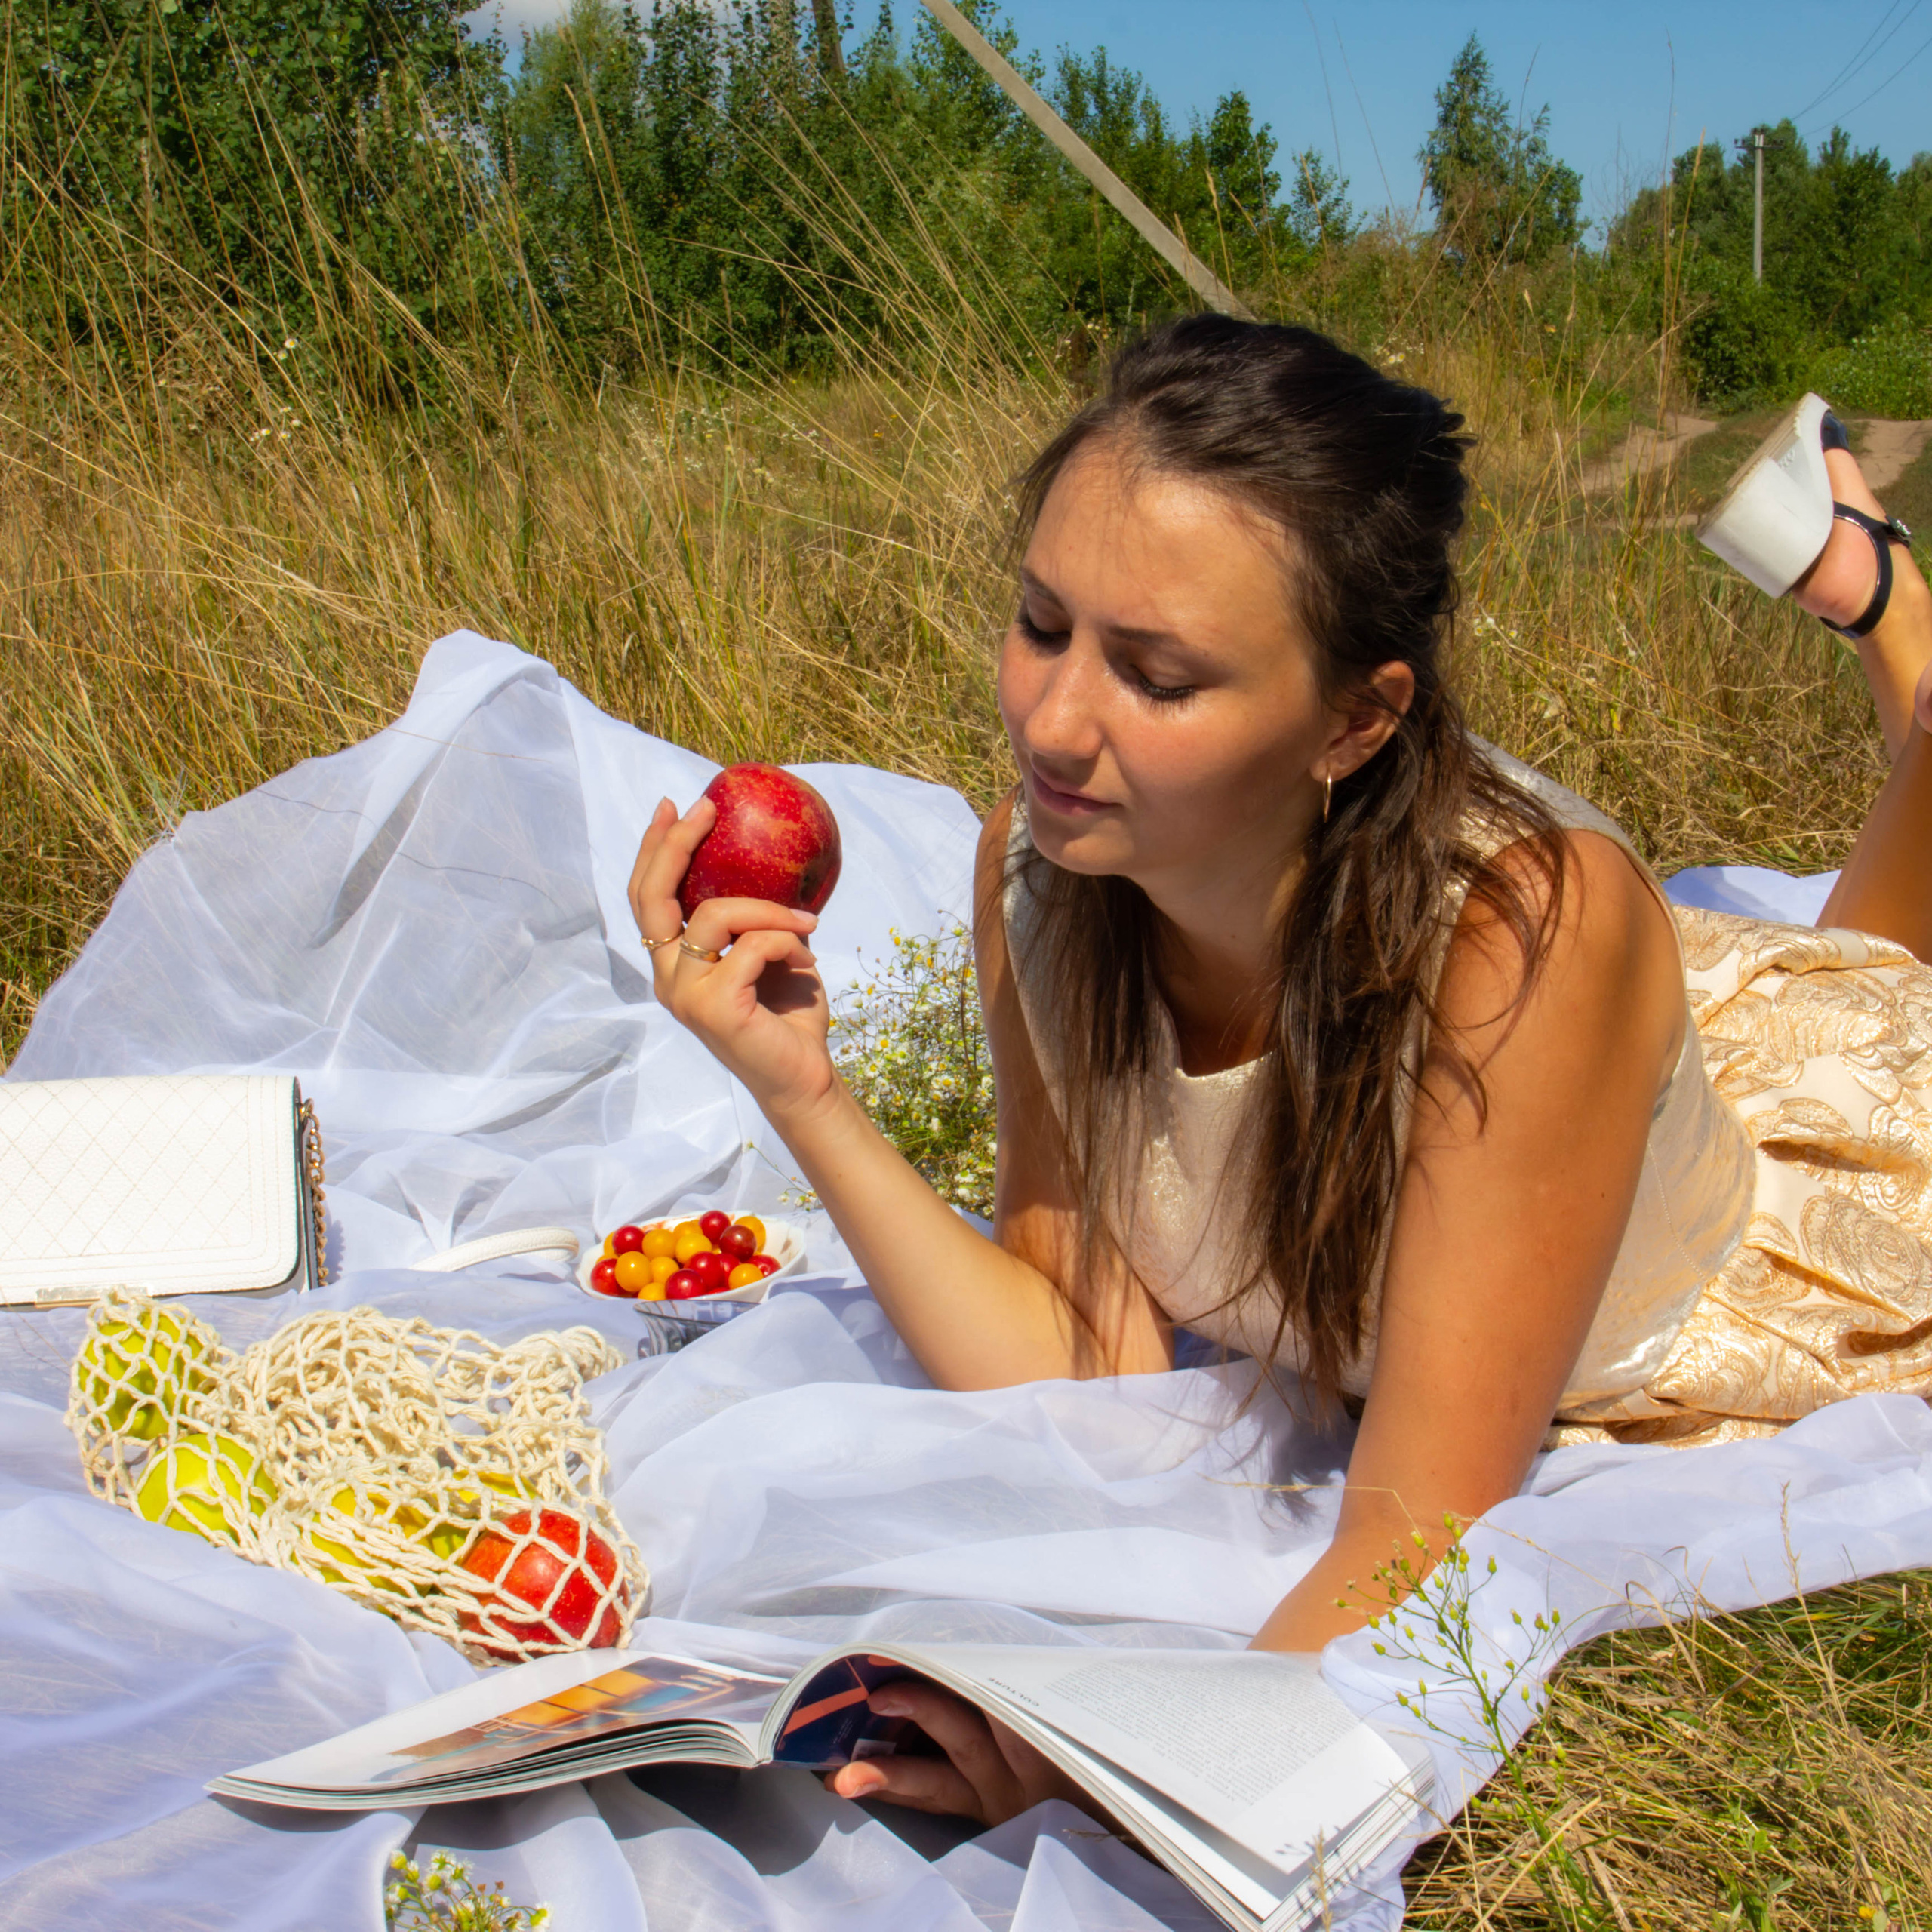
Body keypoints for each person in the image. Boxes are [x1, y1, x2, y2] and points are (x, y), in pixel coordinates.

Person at [626, 317, 1932, 1826]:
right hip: (1573, 1051)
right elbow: (1077, 1348)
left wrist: (1117, 1758)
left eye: (1156, 676)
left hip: (1748, 1249)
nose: (1050, 723)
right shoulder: (1041, 878)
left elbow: (1417, 1513)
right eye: (1042, 623)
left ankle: (1907, 654)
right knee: (1830, 979)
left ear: (1355, 718)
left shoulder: (1519, 940)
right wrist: (799, 1089)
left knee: (1878, 1017)